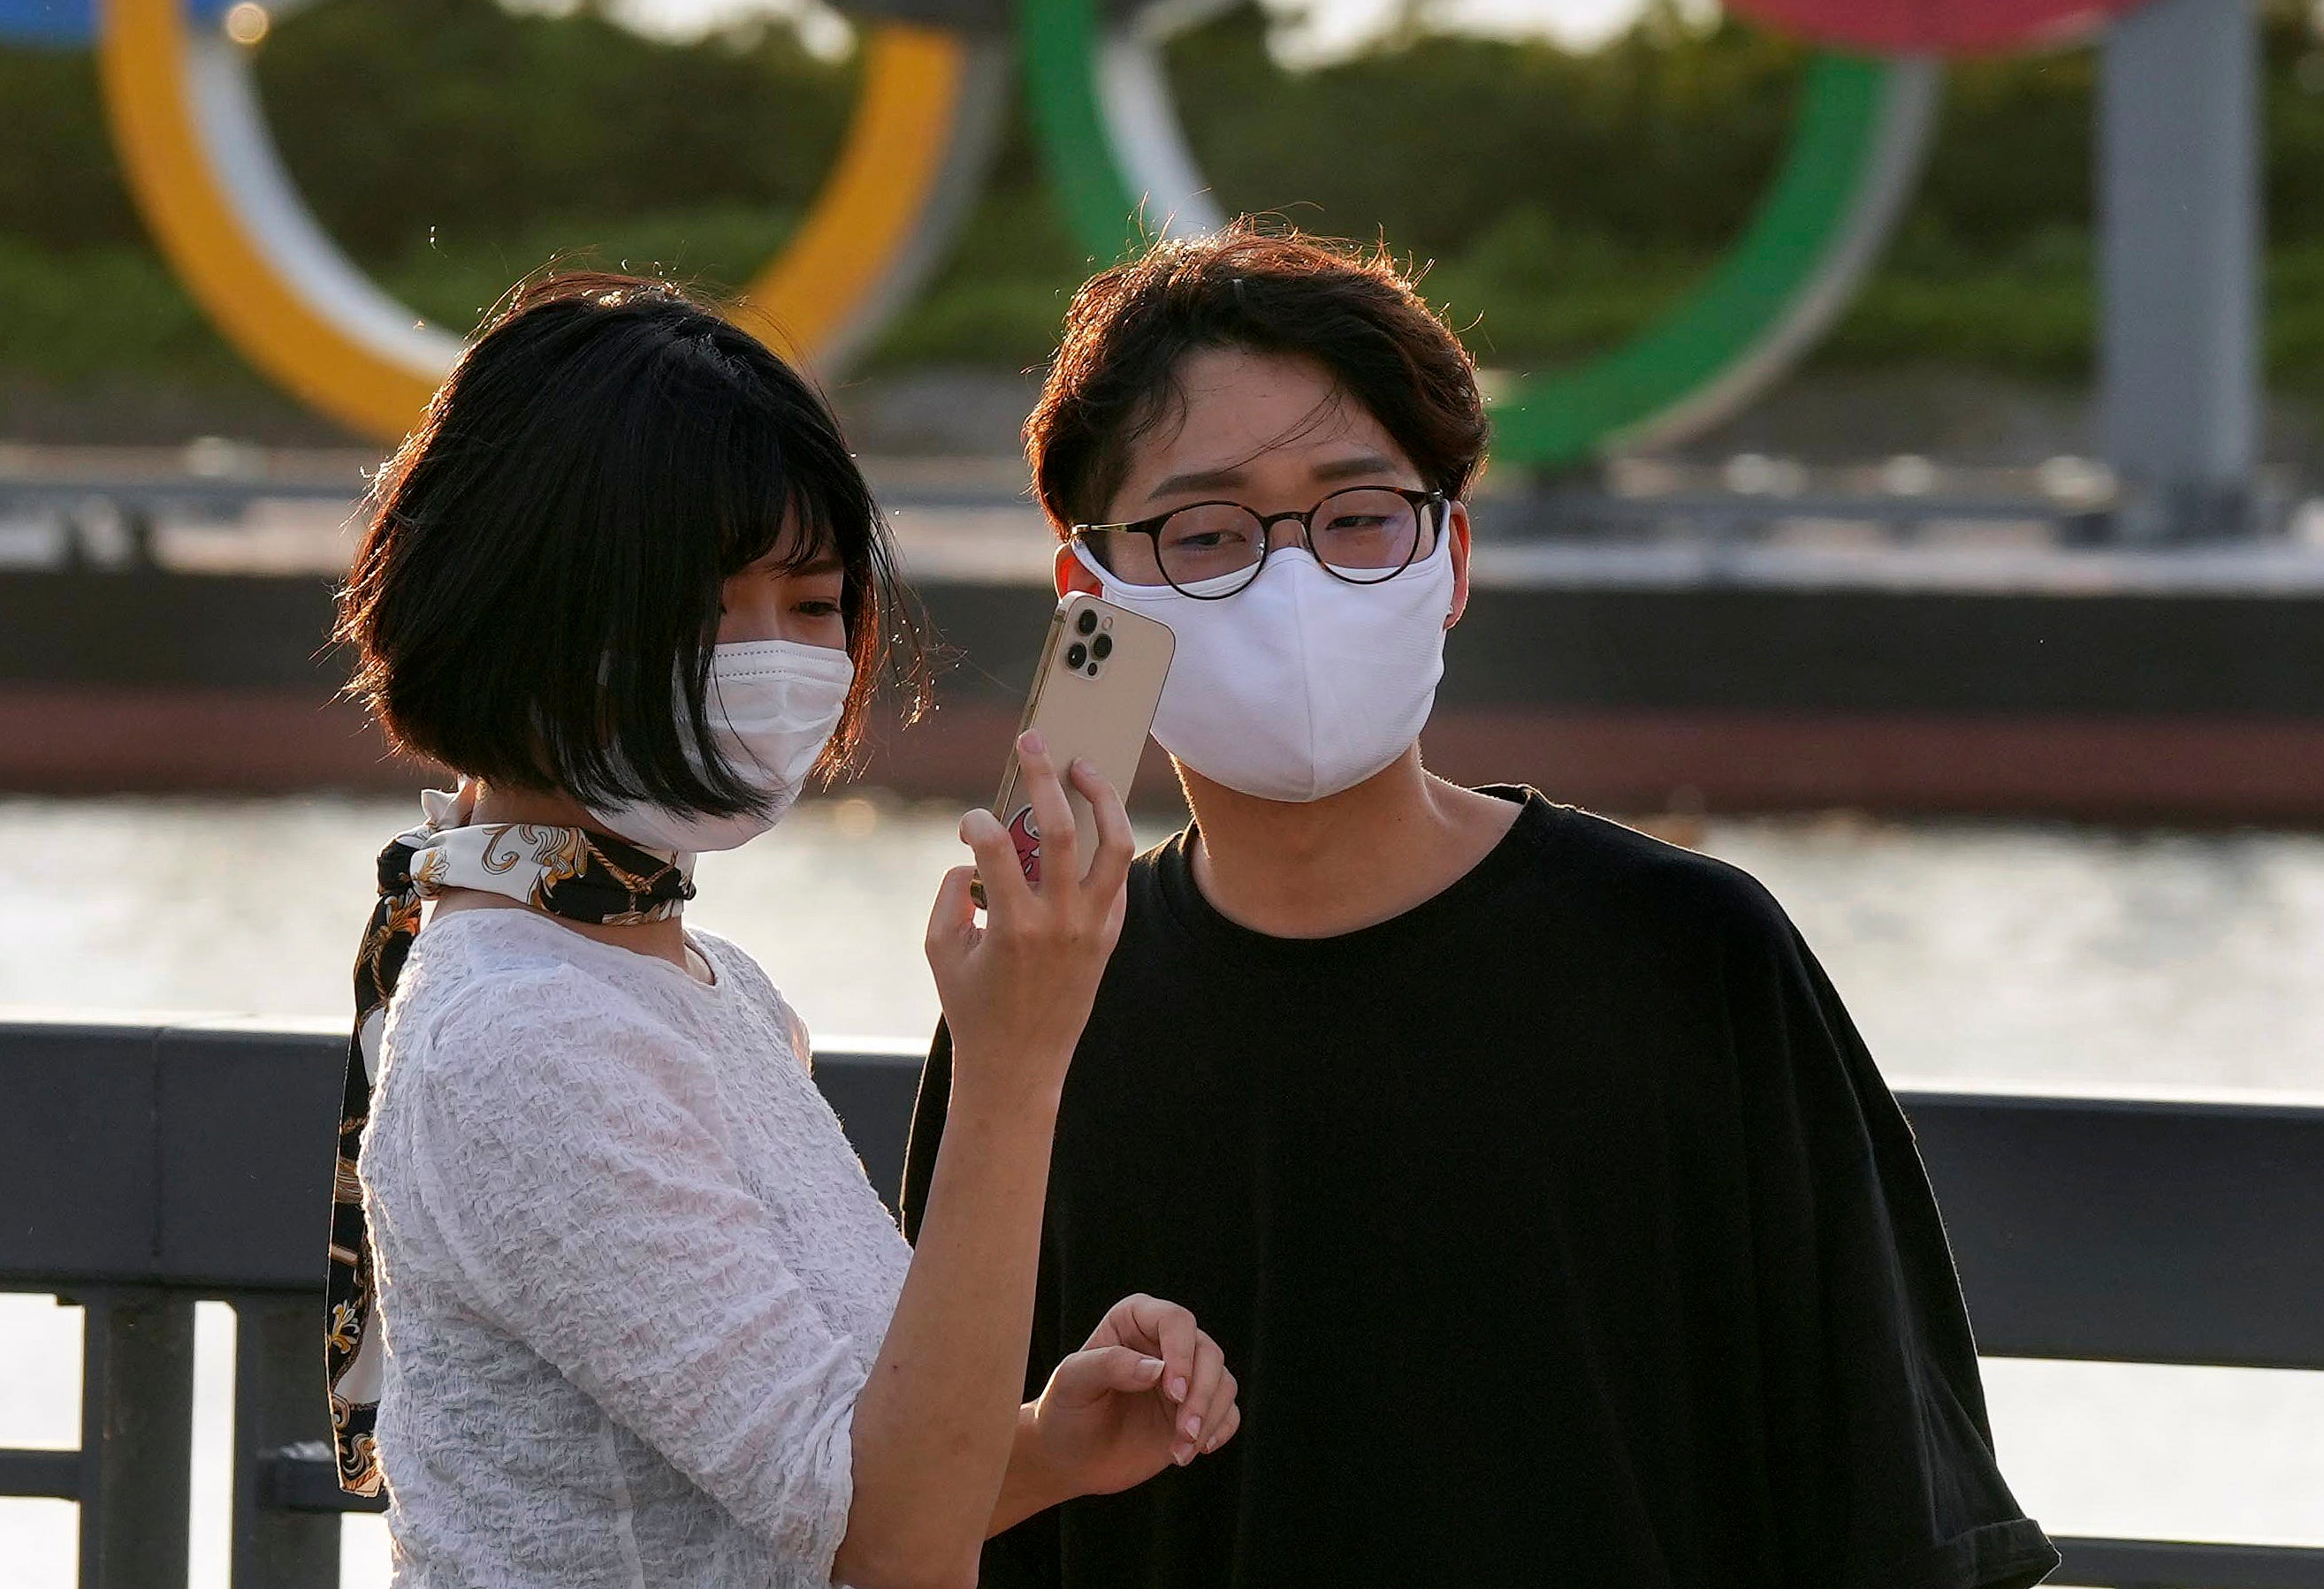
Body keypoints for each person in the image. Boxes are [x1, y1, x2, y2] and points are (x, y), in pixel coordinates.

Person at [903, 225, 2054, 1589]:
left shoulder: (1689, 954)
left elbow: (1894, 1521)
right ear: (1090, 598)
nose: (1293, 575)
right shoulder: (1036, 1004)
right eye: (1205, 532)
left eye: (1357, 516)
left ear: (1448, 561)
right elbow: (932, 1513)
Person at [329, 275, 1241, 1588]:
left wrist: (1045, 1442)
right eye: (702, 600)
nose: (769, 654)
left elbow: (821, 1479)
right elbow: (893, 1542)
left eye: (812, 604)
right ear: (517, 598)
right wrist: (1015, 1061)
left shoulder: (693, 981)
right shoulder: (528, 1039)